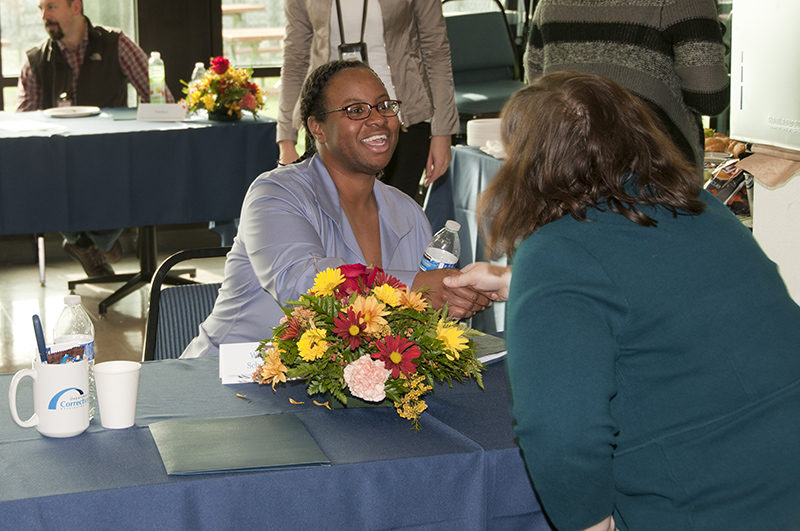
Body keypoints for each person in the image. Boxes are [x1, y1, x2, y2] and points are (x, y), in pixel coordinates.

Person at [472, 71, 800, 530]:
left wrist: (589, 521)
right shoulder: (703, 210)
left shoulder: (556, 253)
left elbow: (560, 434)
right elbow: (654, 290)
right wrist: (522, 283)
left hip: (701, 504)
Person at [181, 61, 489, 358]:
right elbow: (303, 287)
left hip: (341, 390)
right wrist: (417, 287)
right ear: (318, 128)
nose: (378, 119)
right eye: (356, 110)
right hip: (232, 378)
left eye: (384, 106)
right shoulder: (275, 195)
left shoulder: (408, 213)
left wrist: (457, 297)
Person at [16, 0, 174, 278]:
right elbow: (23, 125)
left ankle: (90, 243)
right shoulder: (34, 61)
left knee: (127, 171)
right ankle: (96, 243)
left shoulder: (117, 44)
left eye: (51, 7)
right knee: (42, 176)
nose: (44, 16)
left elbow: (161, 99)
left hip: (112, 158)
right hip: (61, 163)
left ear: (76, 7)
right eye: (41, 9)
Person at [524, 0, 730, 180]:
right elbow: (709, 98)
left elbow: (538, 85)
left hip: (565, 168)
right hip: (656, 174)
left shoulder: (548, 3)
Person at [277, 0, 459, 201]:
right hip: (330, 122)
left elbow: (436, 52)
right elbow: (295, 58)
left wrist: (443, 133)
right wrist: (286, 140)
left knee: (397, 218)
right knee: (332, 219)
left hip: (401, 116)